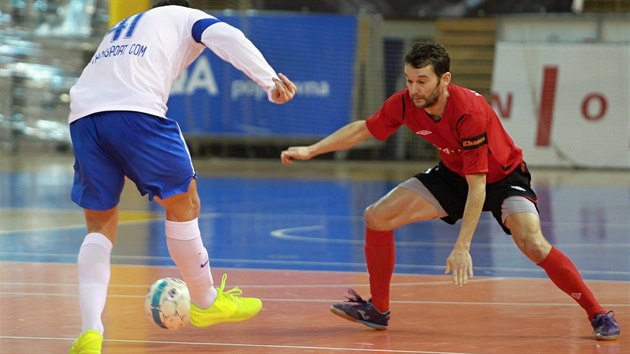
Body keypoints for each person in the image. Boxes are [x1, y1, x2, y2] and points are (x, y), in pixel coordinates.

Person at [280, 41, 620, 341]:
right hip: (453, 173)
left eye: (422, 81)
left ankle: (597, 312)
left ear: (445, 79)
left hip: (502, 177)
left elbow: (479, 185)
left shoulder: (468, 112)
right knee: (376, 217)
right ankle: (378, 310)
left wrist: (462, 246)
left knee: (532, 243)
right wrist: (312, 150)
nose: (414, 89)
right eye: (410, 80)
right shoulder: (404, 103)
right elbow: (364, 129)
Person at [67, 0, 297, 353]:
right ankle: (206, 301)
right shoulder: (184, 16)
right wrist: (269, 81)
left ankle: (89, 334)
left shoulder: (125, 25)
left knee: (99, 227)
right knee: (184, 203)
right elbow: (227, 35)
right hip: (135, 112)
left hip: (84, 117)